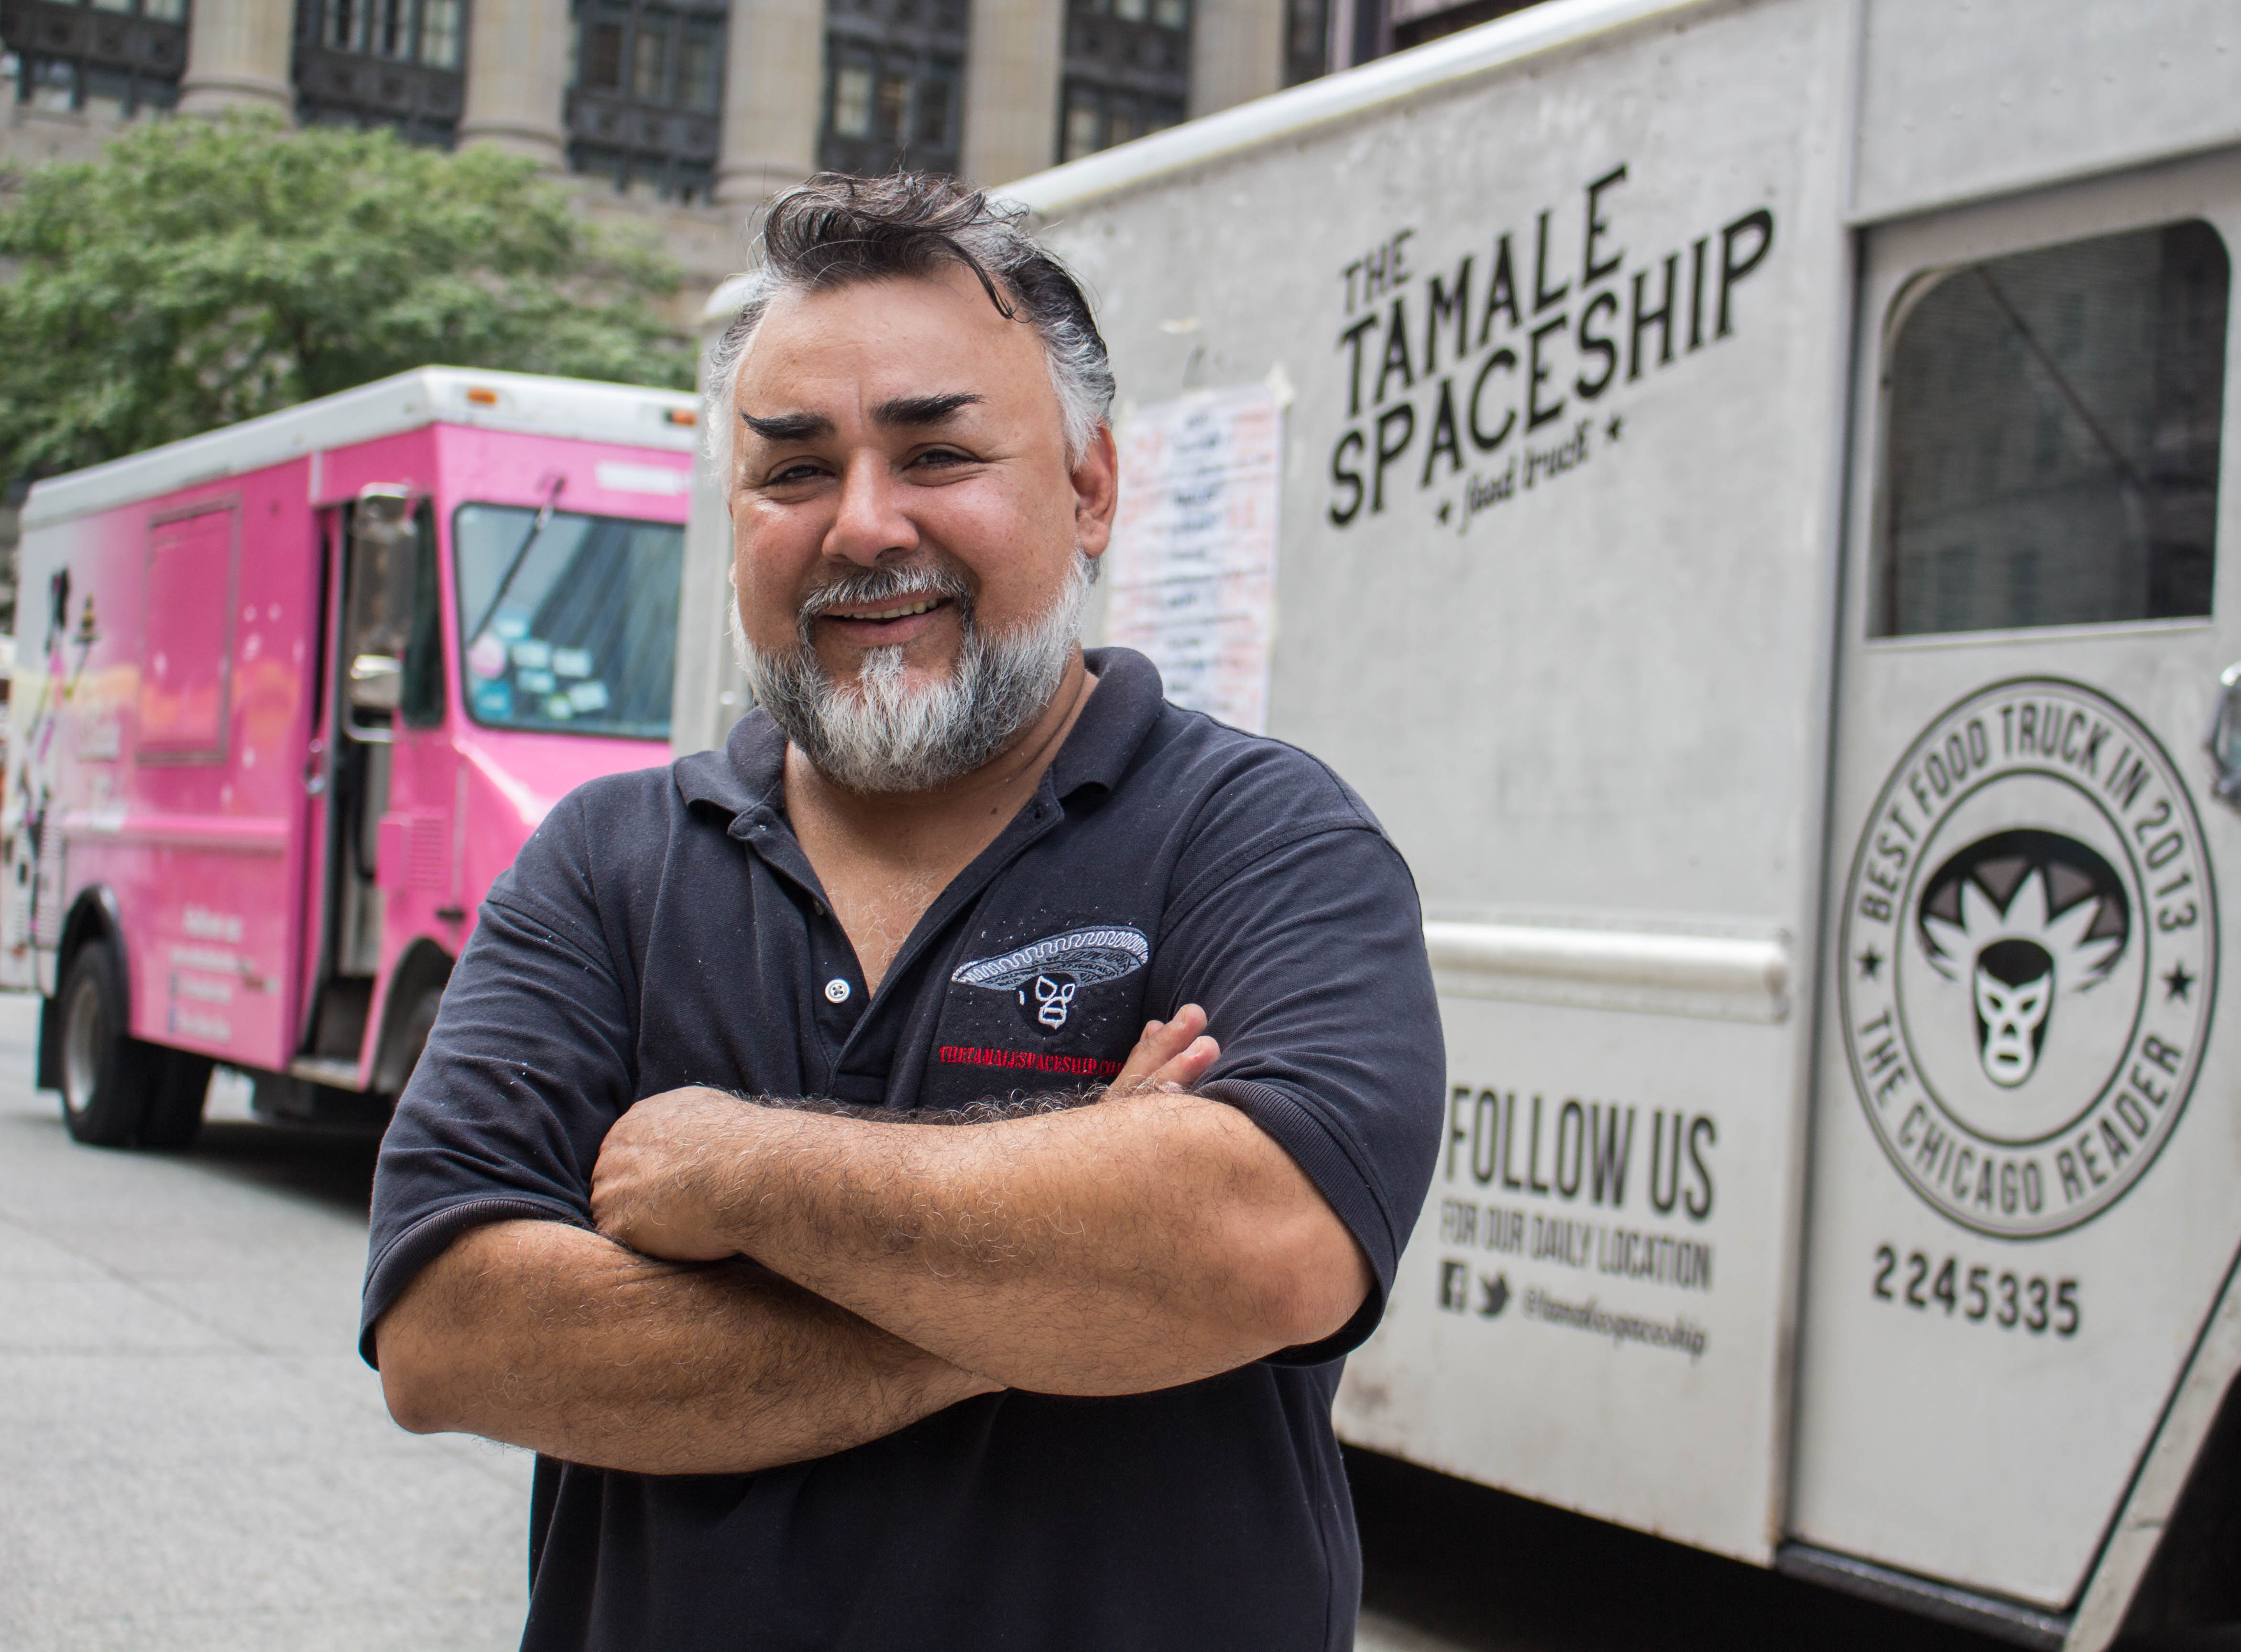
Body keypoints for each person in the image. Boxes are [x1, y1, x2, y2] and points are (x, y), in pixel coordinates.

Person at [361, 171, 1447, 1652]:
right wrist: (1062, 1271)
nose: (865, 526)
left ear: (1089, 490)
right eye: (795, 470)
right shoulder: (606, 864)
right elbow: (450, 1335)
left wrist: (731, 1168)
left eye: (937, 451)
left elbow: (1264, 1251)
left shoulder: (1265, 838)